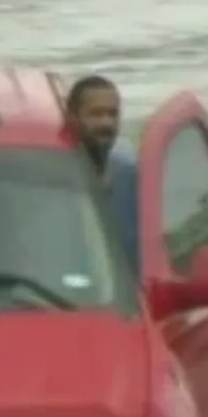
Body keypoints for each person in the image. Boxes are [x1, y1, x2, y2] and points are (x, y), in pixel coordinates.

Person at [64, 74, 140, 275]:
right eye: (96, 114)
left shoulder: (131, 174)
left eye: (113, 114)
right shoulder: (52, 176)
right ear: (72, 118)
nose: (107, 123)